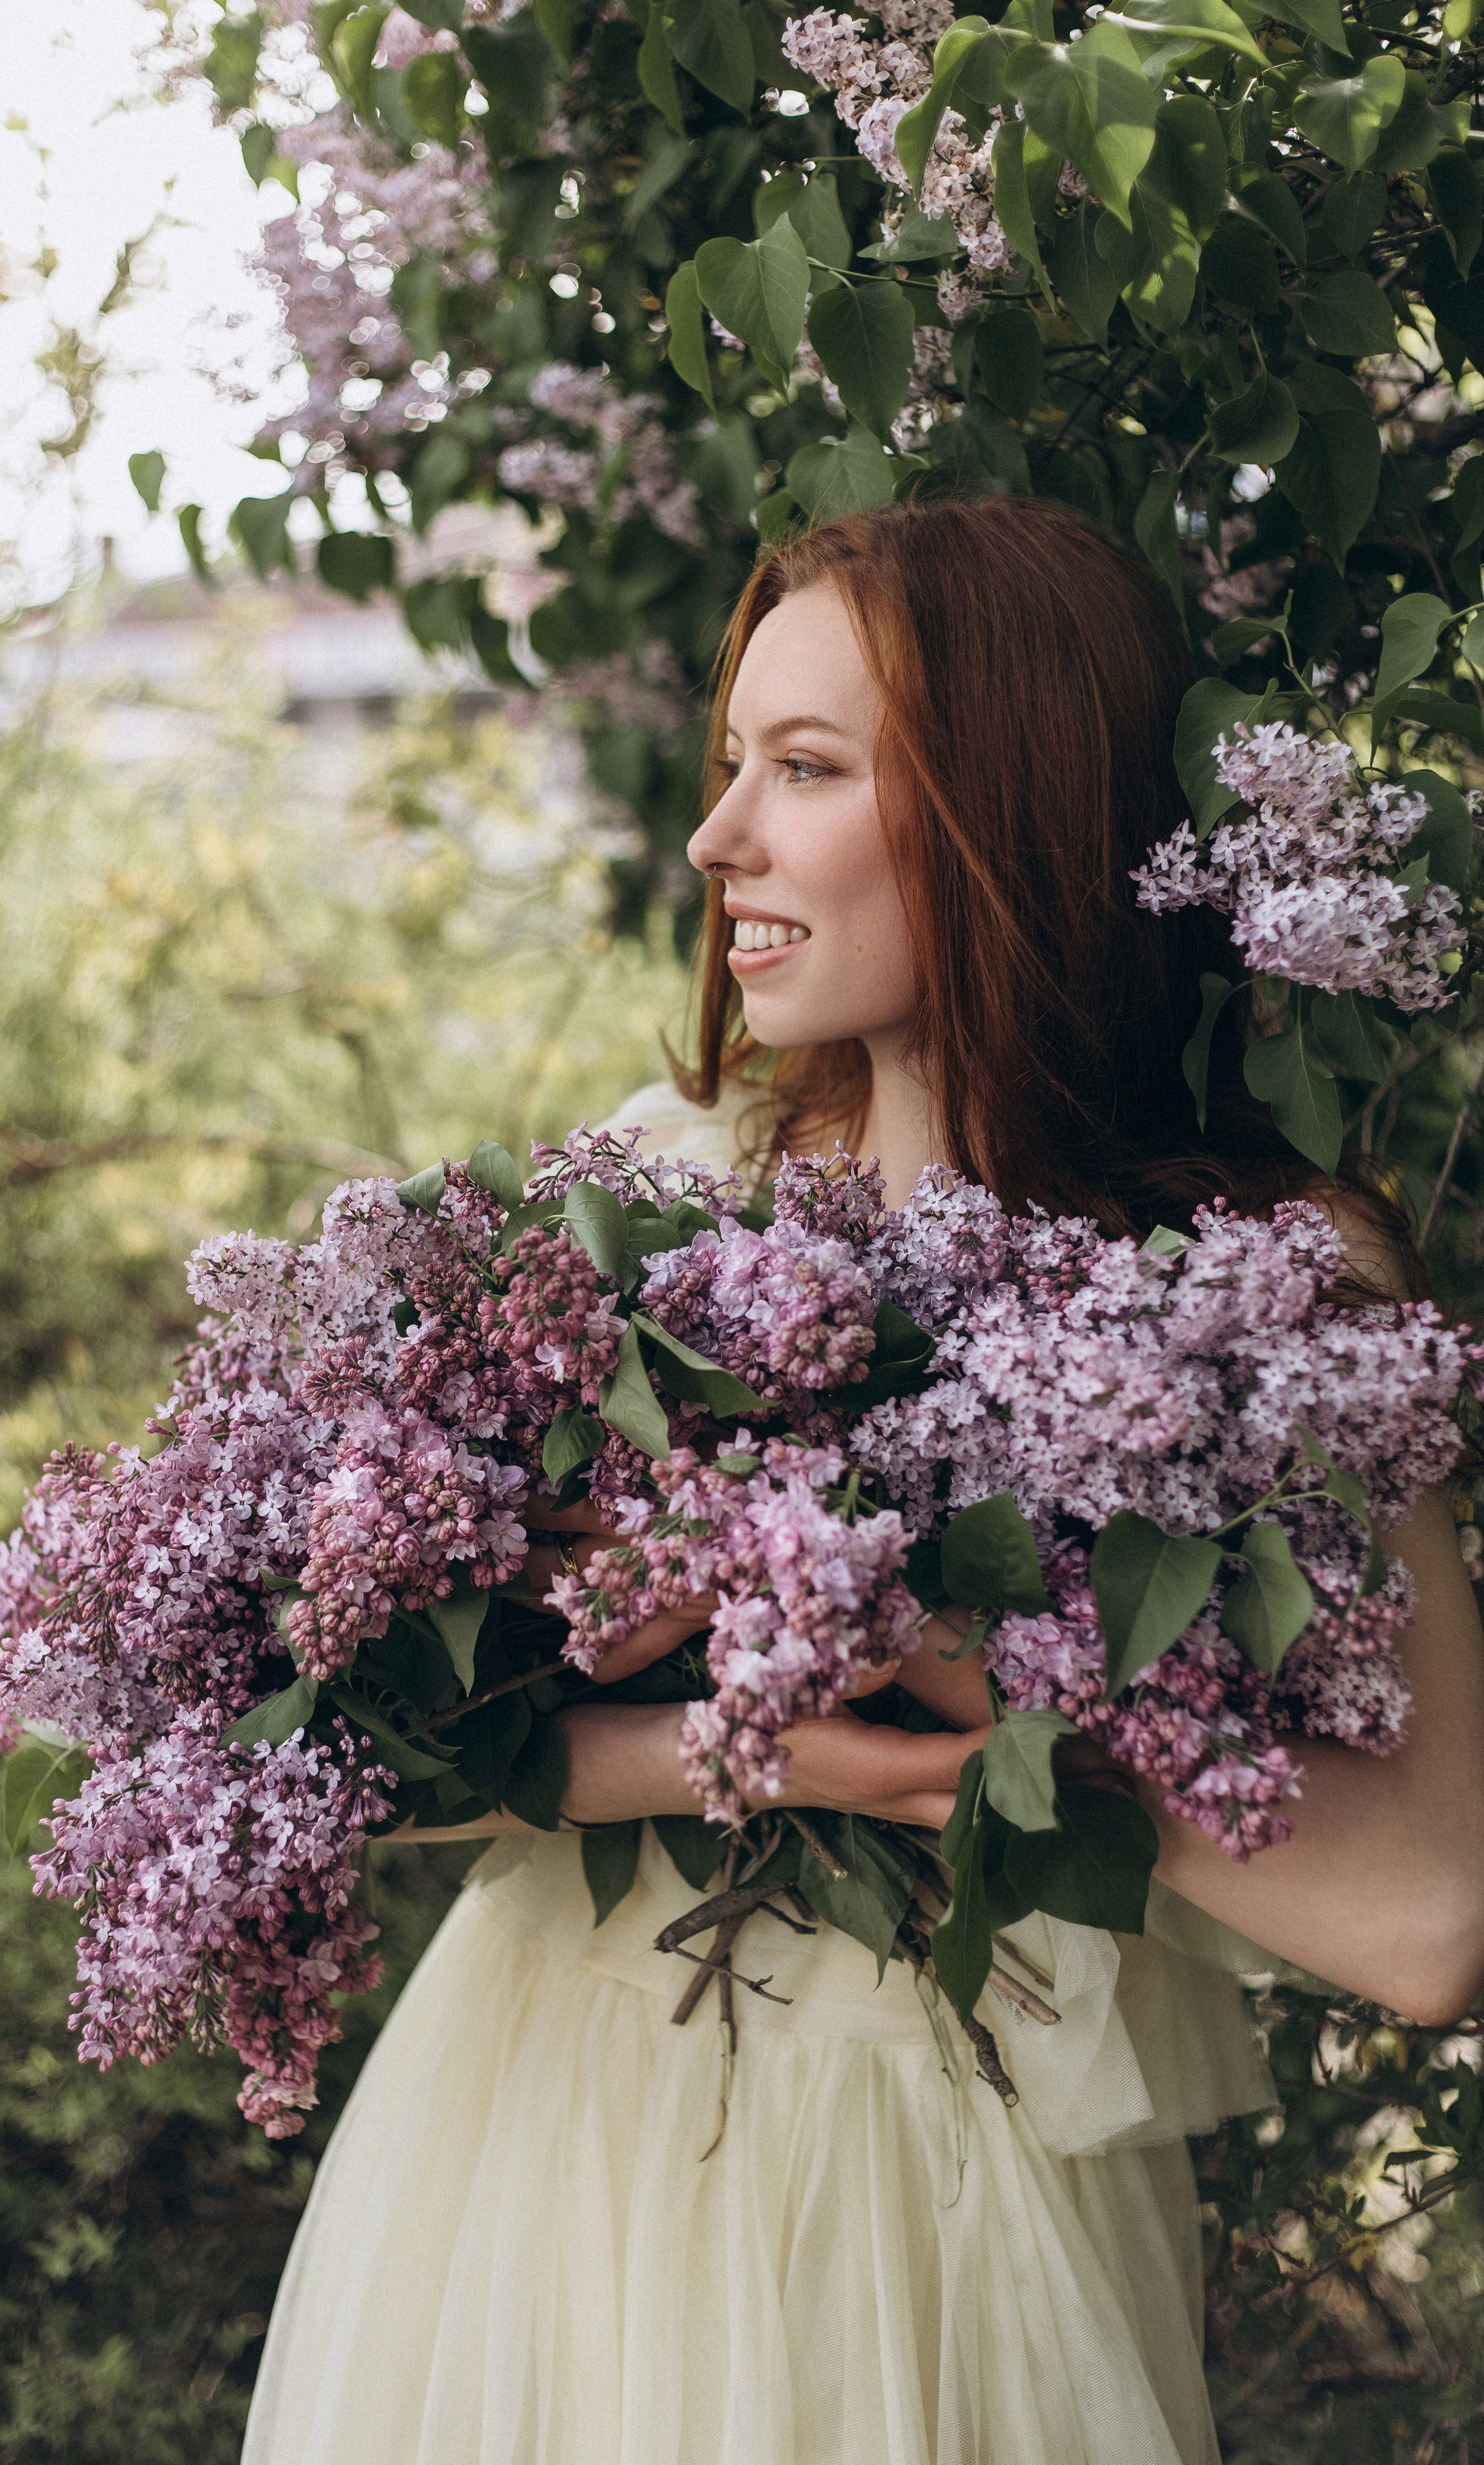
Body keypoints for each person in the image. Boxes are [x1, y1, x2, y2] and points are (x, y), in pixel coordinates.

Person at [241, 499, 1484, 2465]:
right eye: (735, 765)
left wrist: (956, 1663)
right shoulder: (667, 1189)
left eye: (803, 771)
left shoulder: (1278, 1283)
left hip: (936, 2198)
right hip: (538, 2137)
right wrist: (783, 1750)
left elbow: (1429, 1921)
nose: (717, 838)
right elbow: (382, 1746)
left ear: (1011, 814)